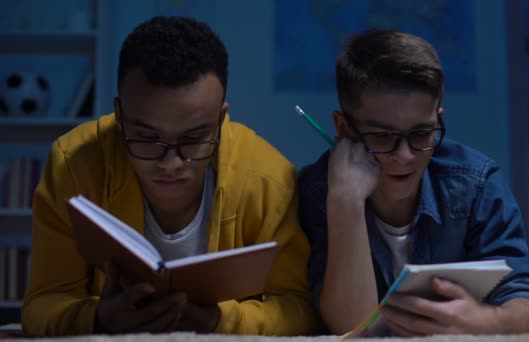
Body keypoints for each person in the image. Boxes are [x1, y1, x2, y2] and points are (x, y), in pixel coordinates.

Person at [22, 16, 320, 336]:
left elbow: (299, 310)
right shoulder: (73, 163)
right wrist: (97, 318)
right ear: (119, 116)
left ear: (221, 120)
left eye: (193, 138)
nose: (172, 163)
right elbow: (41, 304)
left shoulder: (269, 179)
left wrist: (220, 321)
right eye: (147, 138)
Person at [298, 29, 529, 336]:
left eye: (421, 133)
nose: (405, 156)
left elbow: (527, 303)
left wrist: (487, 322)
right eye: (382, 136)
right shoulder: (317, 191)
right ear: (344, 128)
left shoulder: (477, 183)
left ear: (438, 119)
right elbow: (350, 327)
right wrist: (345, 202)